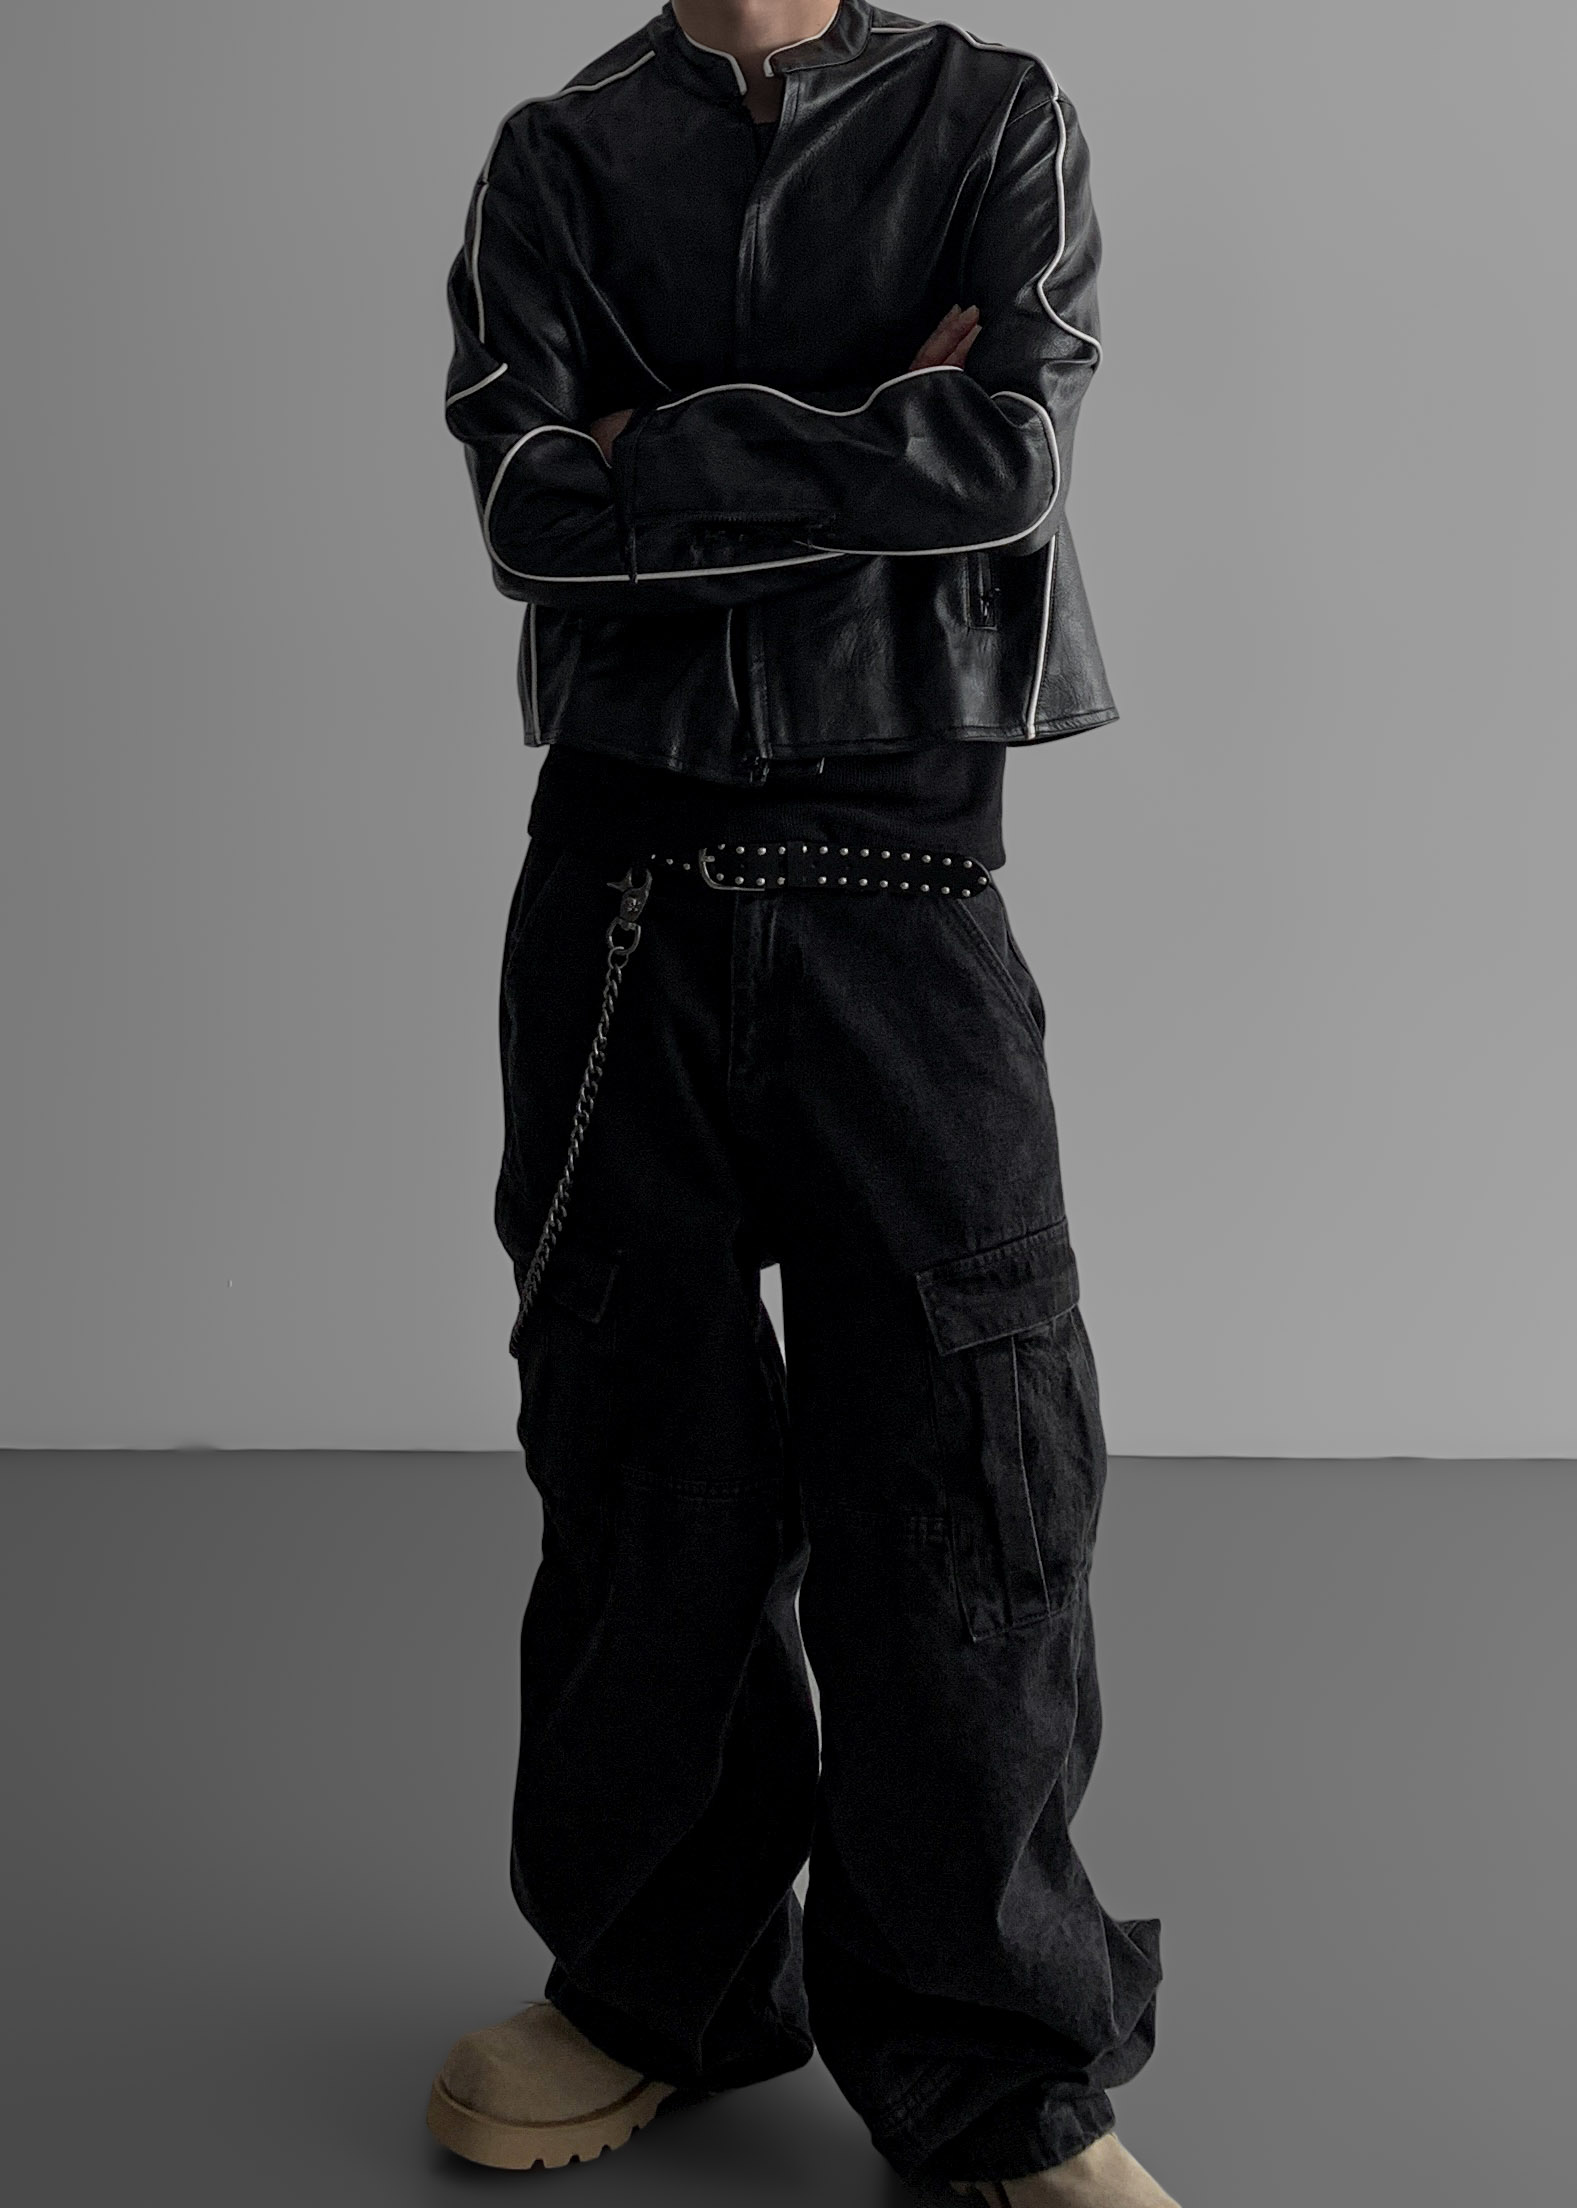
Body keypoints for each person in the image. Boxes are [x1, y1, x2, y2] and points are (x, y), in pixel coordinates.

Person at [429, 6, 1180, 2202]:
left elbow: (1006, 463)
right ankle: (649, 1991)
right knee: (636, 1464)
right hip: (622, 898)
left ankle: (998, 2070)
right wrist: (872, 427)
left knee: (972, 1463)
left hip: (901, 886)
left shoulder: (993, 118)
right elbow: (529, 511)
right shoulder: (558, 158)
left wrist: (663, 448)